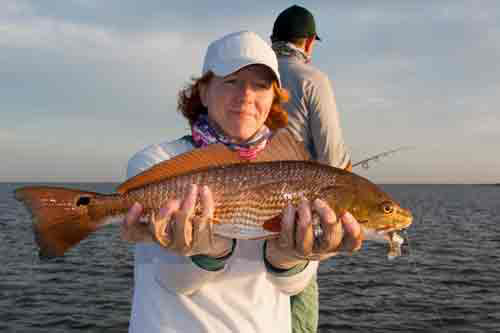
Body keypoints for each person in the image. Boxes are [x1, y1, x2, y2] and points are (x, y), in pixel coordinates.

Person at [121, 30, 362, 333]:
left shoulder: (299, 172)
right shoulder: (157, 163)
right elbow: (173, 281)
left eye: (260, 85)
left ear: (275, 97)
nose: (246, 95)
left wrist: (289, 257)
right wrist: (208, 251)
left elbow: (292, 286)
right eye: (231, 81)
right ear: (204, 92)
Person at [271, 5, 353, 332]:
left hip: (244, 205)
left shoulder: (251, 76)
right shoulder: (312, 79)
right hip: (296, 216)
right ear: (308, 43)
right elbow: (334, 161)